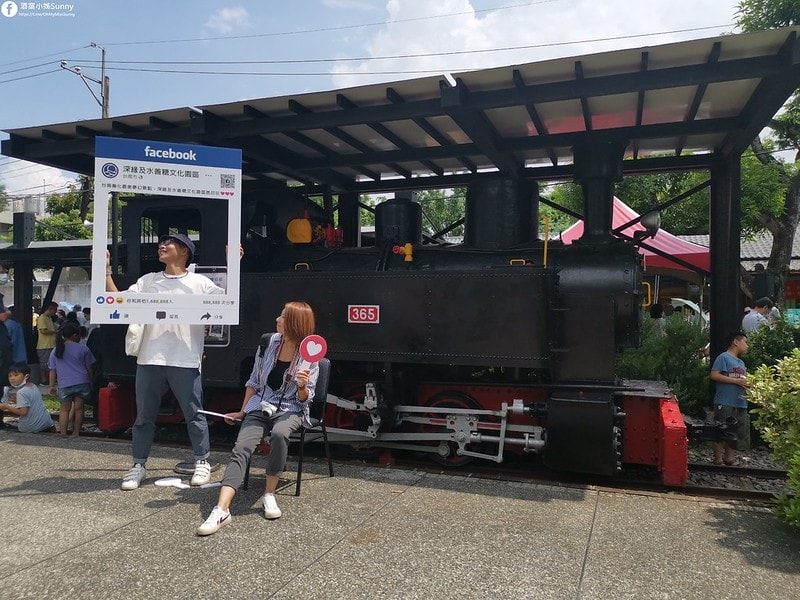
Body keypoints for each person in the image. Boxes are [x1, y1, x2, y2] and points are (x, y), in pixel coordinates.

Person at [104, 234, 228, 490]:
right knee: (144, 416)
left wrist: (234, 263)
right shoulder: (149, 280)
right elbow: (118, 300)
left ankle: (202, 461)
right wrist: (104, 271)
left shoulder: (199, 282)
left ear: (184, 251)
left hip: (185, 358)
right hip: (150, 357)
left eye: (168, 243)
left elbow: (227, 301)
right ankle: (137, 465)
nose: (162, 246)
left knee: (194, 413)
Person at [196, 301, 318, 536]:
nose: (277, 320)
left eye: (282, 316)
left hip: (292, 408)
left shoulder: (310, 350)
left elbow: (305, 400)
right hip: (260, 405)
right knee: (242, 446)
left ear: (294, 322)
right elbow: (253, 381)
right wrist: (242, 412)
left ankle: (269, 494)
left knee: (280, 434)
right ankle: (221, 509)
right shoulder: (269, 342)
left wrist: (302, 385)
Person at [48, 322, 95, 437]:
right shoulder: (83, 349)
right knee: (79, 409)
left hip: (64, 383)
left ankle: (63, 433)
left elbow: (52, 369)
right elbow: (89, 368)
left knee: (64, 410)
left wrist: (52, 385)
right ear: (75, 335)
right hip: (81, 381)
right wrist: (91, 381)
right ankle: (76, 433)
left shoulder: (56, 350)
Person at [710, 332, 750, 466]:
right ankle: (717, 459)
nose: (747, 346)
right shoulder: (723, 357)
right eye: (746, 342)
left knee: (737, 431)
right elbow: (714, 375)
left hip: (740, 402)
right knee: (721, 430)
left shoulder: (741, 363)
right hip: (725, 401)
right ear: (736, 342)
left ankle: (729, 458)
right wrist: (735, 381)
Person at [0, 362, 54, 433]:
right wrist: (17, 400)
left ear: (26, 376)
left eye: (16, 375)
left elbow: (23, 412)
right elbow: (31, 401)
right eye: (10, 376)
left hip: (30, 428)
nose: (12, 378)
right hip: (47, 424)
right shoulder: (33, 386)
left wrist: (7, 406)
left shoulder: (21, 392)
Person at [36, 302, 58, 384]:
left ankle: (49, 379)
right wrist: (54, 332)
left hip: (51, 344)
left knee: (51, 363)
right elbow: (43, 331)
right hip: (44, 345)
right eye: (55, 309)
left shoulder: (49, 318)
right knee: (44, 364)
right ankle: (43, 380)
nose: (55, 312)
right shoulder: (42, 318)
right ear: (50, 309)